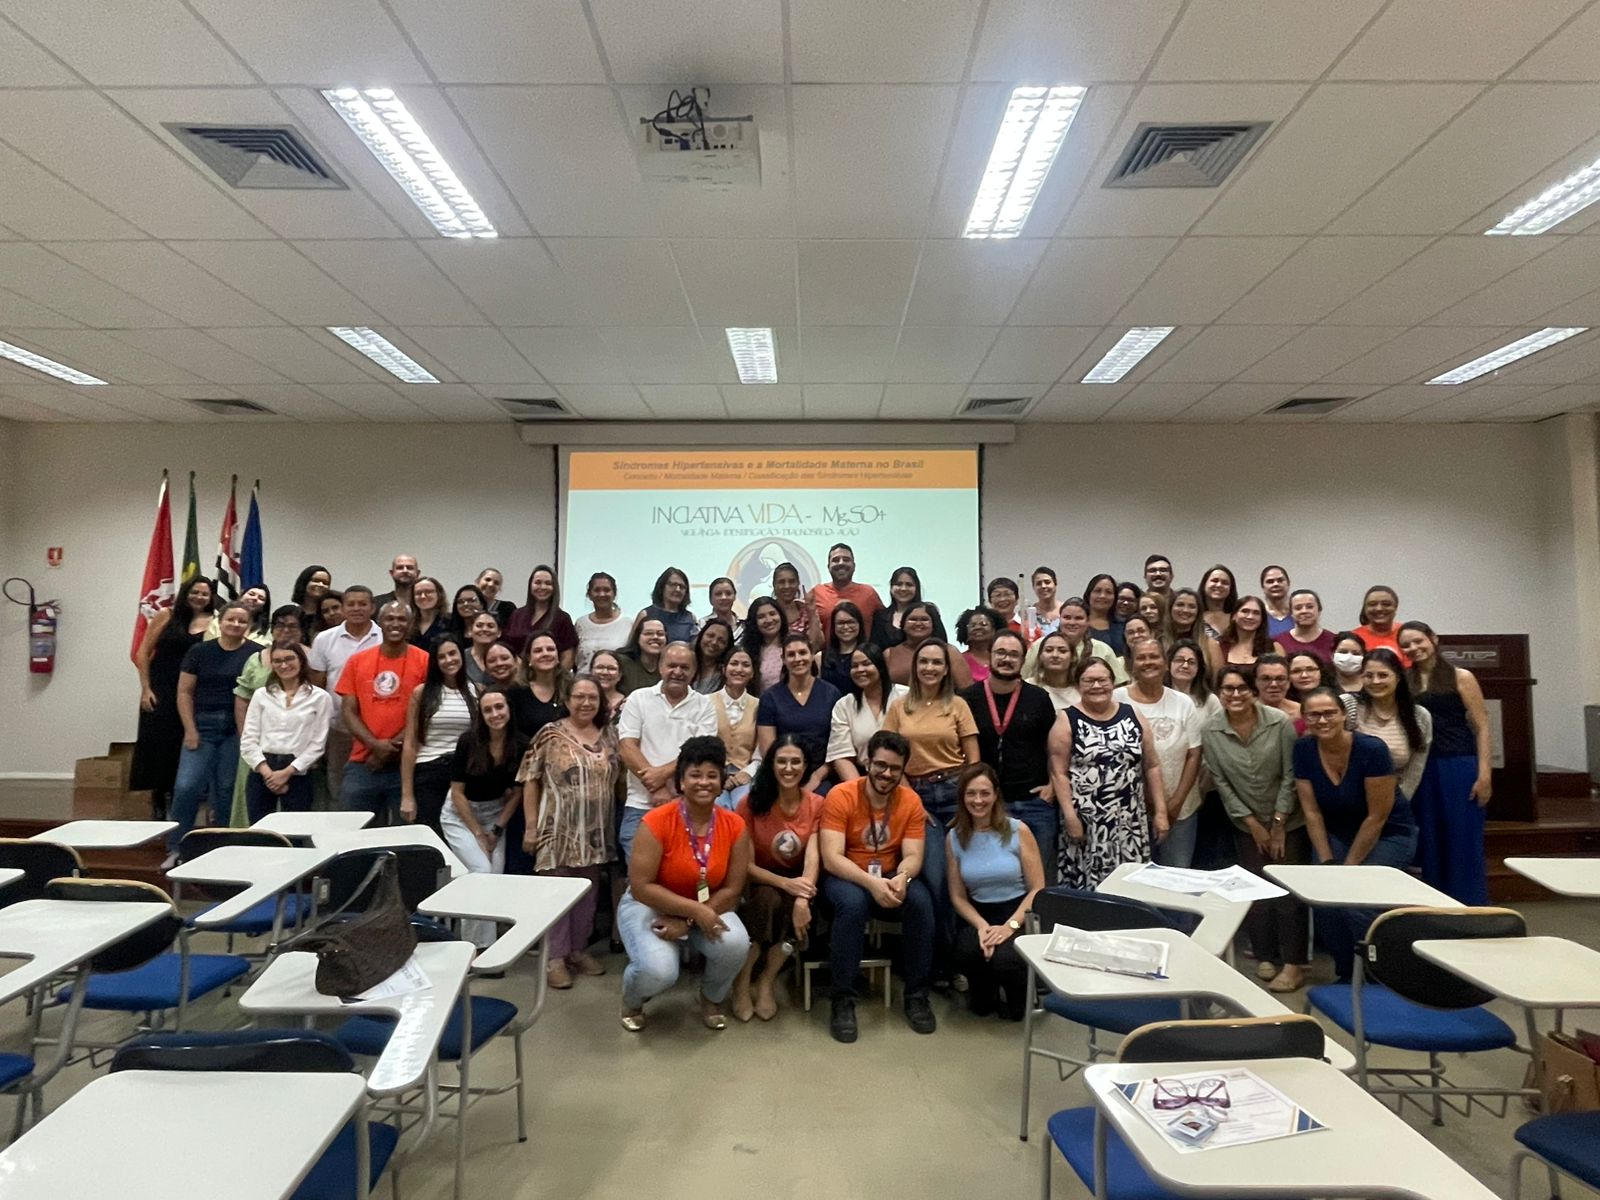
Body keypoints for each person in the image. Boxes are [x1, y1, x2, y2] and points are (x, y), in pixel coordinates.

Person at [619, 736, 752, 1032]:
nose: (703, 782)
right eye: (695, 774)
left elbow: (733, 889)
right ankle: (633, 999)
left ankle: (711, 997)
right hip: (650, 905)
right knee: (660, 970)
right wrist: (696, 912)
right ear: (681, 781)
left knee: (735, 944)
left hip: (707, 905)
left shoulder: (735, 825)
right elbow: (641, 886)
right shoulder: (656, 821)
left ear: (722, 781)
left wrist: (689, 919)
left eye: (712, 775)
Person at [820, 730, 936, 1041]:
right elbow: (831, 858)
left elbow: (913, 855)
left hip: (891, 874)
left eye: (895, 768)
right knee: (853, 904)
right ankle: (842, 999)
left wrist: (903, 877)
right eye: (881, 765)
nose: (886, 774)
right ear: (867, 762)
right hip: (847, 875)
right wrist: (872, 883)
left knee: (921, 903)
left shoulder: (910, 800)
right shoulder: (841, 795)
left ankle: (916, 995)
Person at [1294, 686, 1415, 980]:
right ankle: (1347, 974)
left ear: (1343, 716)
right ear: (1305, 719)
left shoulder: (1372, 749)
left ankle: (1381, 974)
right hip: (1336, 832)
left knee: (1356, 901)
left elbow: (1377, 816)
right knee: (1323, 900)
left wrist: (1347, 870)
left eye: (1329, 713)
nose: (1322, 720)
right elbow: (1312, 812)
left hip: (1388, 833)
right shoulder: (1303, 749)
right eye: (1314, 715)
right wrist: (1327, 863)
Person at [1201, 668, 1307, 992]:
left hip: (1288, 819)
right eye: (1227, 689)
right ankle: (1264, 954)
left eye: (1242, 688)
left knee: (1287, 893)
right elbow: (1221, 782)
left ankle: (1294, 963)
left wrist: (1278, 823)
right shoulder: (1211, 730)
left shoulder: (1278, 722)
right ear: (1219, 693)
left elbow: (1291, 773)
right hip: (1246, 822)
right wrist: (1252, 824)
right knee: (1256, 890)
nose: (1235, 695)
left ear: (1253, 691)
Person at [883, 638, 979, 977]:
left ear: (946, 668)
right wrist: (910, 797)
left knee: (964, 879)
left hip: (956, 793)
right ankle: (943, 963)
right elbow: (887, 758)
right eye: (924, 661)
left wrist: (966, 802)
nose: (930, 668)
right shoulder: (899, 707)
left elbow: (974, 760)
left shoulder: (958, 705)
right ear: (915, 666)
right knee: (937, 879)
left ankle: (961, 962)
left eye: (937, 662)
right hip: (915, 796)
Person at [519, 674, 618, 987]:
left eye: (593, 697)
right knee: (556, 896)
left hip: (596, 831)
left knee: (587, 897)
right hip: (556, 829)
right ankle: (555, 959)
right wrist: (531, 827)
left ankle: (577, 950)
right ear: (567, 700)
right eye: (579, 697)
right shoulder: (549, 733)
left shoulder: (611, 735)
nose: (586, 703)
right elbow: (530, 780)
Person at [1048, 657, 1168, 889]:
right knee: (1090, 889)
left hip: (1130, 821)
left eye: (1102, 680)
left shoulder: (1133, 714)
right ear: (1078, 684)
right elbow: (1058, 773)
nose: (1096, 686)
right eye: (1089, 681)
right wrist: (1070, 816)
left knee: (1132, 887)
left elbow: (1152, 766)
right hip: (1087, 823)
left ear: (1113, 683)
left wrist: (1161, 812)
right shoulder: (1066, 719)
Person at [1398, 621, 1493, 905]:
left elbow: (1482, 726)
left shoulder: (1461, 677)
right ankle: (1435, 904)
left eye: (1418, 641)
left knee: (1462, 835)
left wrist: (1485, 774)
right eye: (1406, 645)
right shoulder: (1404, 680)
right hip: (1421, 767)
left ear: (1433, 639)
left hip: (1458, 764)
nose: (1413, 648)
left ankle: (1470, 905)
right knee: (1429, 836)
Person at [732, 736, 825, 1022]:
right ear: (771, 765)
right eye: (781, 761)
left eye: (796, 762)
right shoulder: (751, 803)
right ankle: (742, 981)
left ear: (805, 766)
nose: (788, 768)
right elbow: (746, 866)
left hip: (799, 882)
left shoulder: (817, 804)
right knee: (769, 900)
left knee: (795, 906)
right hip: (760, 881)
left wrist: (802, 897)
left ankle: (766, 981)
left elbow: (813, 859)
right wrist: (787, 884)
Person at [947, 763, 1045, 1020]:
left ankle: (1022, 994)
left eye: (985, 793)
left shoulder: (1018, 830)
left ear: (995, 795)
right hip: (980, 914)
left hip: (1017, 912)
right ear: (962, 797)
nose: (978, 800)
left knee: (1006, 962)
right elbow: (957, 896)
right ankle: (985, 991)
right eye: (971, 793)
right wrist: (982, 927)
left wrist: (1009, 927)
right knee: (968, 953)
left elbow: (1037, 888)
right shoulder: (954, 837)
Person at [960, 631, 1059, 882]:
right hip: (989, 805)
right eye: (1001, 653)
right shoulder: (967, 699)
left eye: (1014, 654)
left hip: (1034, 803)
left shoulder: (1039, 698)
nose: (1006, 659)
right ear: (989, 657)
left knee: (1040, 881)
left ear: (1023, 660)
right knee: (994, 880)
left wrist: (1052, 785)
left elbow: (1055, 749)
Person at [165, 601, 258, 862]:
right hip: (202, 726)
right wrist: (190, 729)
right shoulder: (199, 651)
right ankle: (177, 847)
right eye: (231, 619)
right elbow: (184, 692)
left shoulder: (256, 654)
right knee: (187, 786)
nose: (236, 625)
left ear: (249, 625)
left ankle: (222, 847)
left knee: (227, 789)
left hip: (236, 729)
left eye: (242, 621)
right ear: (220, 621)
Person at [439, 688, 528, 945]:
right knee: (481, 870)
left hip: (496, 814)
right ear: (481, 715)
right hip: (460, 814)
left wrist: (496, 831)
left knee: (494, 877)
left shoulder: (521, 743)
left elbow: (518, 793)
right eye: (488, 710)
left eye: (499, 707)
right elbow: (457, 793)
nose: (495, 714)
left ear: (509, 709)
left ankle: (487, 945)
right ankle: (475, 946)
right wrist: (478, 833)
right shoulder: (468, 741)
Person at [616, 642, 717, 862]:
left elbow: (700, 754)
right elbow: (627, 747)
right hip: (640, 805)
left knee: (681, 874)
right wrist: (658, 787)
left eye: (685, 667)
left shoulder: (704, 705)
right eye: (672, 665)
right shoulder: (638, 698)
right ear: (661, 667)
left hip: (687, 806)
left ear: (694, 671)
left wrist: (660, 776)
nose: (677, 672)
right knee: (641, 877)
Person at [336, 601, 429, 825]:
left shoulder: (425, 660)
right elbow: (348, 711)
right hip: (363, 763)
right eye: (389, 618)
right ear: (379, 623)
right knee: (353, 831)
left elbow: (426, 713)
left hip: (407, 766)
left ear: (411, 624)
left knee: (405, 835)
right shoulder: (357, 661)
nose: (395, 624)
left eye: (402, 619)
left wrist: (388, 750)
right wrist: (375, 746)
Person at [132, 574, 216, 819]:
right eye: (195, 592)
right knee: (159, 743)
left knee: (185, 742)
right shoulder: (166, 615)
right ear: (185, 593)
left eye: (204, 593)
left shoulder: (214, 621)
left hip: (193, 691)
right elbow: (143, 653)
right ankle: (159, 797)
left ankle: (181, 797)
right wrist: (146, 689)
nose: (199, 597)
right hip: (161, 688)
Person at [1115, 639, 1202, 869]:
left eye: (1154, 656)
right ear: (1131, 664)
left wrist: (1174, 804)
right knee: (1134, 876)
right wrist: (1151, 804)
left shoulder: (1183, 702)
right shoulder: (1116, 699)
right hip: (1130, 809)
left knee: (1176, 876)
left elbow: (1194, 754)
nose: (1148, 662)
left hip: (1181, 808)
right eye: (1141, 657)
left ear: (1165, 663)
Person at [230, 605, 310, 824]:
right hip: (258, 747)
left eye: (292, 626)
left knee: (297, 815)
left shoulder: (312, 657)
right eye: (280, 625)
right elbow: (242, 698)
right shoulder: (256, 658)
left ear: (302, 630)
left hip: (299, 752)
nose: (286, 630)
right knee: (256, 808)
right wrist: (246, 737)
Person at [239, 640, 332, 824]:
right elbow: (248, 739)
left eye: (289, 659)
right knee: (259, 833)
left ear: (301, 661)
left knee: (296, 832)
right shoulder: (261, 695)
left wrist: (287, 773)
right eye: (277, 661)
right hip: (262, 769)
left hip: (298, 772)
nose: (284, 665)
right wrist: (269, 775)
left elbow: (318, 744)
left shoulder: (320, 698)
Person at [308, 585, 381, 804]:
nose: (356, 608)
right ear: (343, 608)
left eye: (362, 604)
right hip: (338, 726)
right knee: (339, 783)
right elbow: (317, 686)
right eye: (351, 604)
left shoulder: (384, 636)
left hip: (378, 729)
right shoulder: (324, 639)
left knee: (376, 784)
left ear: (372, 608)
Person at [400, 634, 476, 834]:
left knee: (463, 836)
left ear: (461, 654)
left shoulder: (476, 691)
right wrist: (407, 795)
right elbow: (410, 743)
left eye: (452, 653)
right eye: (441, 656)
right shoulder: (421, 693)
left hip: (464, 775)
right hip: (429, 772)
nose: (449, 660)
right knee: (432, 835)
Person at [756, 635, 840, 793]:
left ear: (812, 655)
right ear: (783, 660)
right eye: (791, 654)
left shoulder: (831, 694)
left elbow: (837, 746)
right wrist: (788, 778)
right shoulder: (770, 698)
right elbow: (768, 750)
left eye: (802, 652)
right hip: (782, 774)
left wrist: (817, 777)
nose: (797, 659)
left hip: (822, 775)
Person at [1354, 648, 1434, 814]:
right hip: (1348, 802)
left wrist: (1395, 804)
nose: (1375, 681)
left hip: (1394, 804)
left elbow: (1415, 771)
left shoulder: (1419, 716)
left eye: (1383, 675)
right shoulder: (1349, 706)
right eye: (1368, 675)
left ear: (1398, 677)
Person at [825, 642, 907, 783]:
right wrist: (861, 791)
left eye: (866, 664)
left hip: (909, 775)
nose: (860, 670)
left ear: (880, 666)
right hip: (864, 777)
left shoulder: (905, 696)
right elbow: (841, 756)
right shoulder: (845, 705)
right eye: (854, 666)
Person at [1021, 597, 1124, 685]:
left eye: (1078, 618)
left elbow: (1118, 686)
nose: (1072, 622)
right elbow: (1023, 678)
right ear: (1059, 619)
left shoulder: (1103, 650)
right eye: (1067, 617)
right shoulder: (1040, 646)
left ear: (1088, 621)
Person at [807, 543, 883, 647]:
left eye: (846, 559)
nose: (841, 563)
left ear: (854, 566)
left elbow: (885, 624)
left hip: (862, 655)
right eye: (836, 560)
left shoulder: (869, 593)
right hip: (827, 656)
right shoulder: (816, 593)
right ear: (828, 566)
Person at [712, 647, 761, 807]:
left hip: (745, 774)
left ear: (752, 673)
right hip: (713, 774)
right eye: (734, 663)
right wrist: (718, 774)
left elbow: (761, 749)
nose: (739, 669)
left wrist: (748, 773)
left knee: (744, 803)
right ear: (724, 669)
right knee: (718, 806)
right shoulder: (705, 702)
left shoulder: (760, 705)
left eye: (745, 665)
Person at [886, 602, 972, 688]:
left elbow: (966, 688)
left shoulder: (949, 651)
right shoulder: (889, 653)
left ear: (933, 625)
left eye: (924, 619)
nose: (918, 623)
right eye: (912, 619)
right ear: (903, 625)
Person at [505, 565, 577, 666]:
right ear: (530, 585)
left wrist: (557, 676)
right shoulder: (517, 615)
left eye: (548, 583)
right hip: (517, 673)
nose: (543, 587)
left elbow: (568, 656)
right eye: (538, 582)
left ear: (554, 588)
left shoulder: (562, 618)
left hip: (550, 674)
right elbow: (507, 648)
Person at [872, 566, 944, 647]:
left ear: (916, 588)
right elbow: (875, 647)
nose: (903, 589)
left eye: (909, 585)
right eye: (899, 584)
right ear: (891, 587)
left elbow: (942, 643)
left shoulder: (930, 613)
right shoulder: (880, 617)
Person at [1217, 595, 1285, 680]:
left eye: (1256, 613)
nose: (1250, 617)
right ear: (1234, 616)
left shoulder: (1275, 648)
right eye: (1245, 611)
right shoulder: (1219, 647)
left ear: (1262, 619)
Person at [574, 571, 630, 672]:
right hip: (583, 680)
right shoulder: (581, 623)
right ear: (589, 595)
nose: (602, 594)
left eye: (607, 590)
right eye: (597, 590)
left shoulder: (628, 624)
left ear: (614, 594)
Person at [636, 566, 698, 645]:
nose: (677, 589)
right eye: (673, 585)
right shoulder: (646, 614)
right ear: (662, 587)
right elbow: (633, 645)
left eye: (682, 587)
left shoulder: (690, 618)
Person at [817, 601, 866, 694]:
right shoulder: (820, 658)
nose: (846, 627)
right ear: (834, 627)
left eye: (851, 622)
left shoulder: (870, 655)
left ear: (859, 624)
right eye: (840, 623)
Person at [741, 596, 788, 692]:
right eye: (761, 617)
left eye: (772, 614)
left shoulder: (793, 645)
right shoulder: (747, 652)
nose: (769, 620)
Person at [1280, 588, 1336, 664]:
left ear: (1319, 610)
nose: (1304, 611)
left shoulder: (1334, 641)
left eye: (1310, 607)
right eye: (1298, 608)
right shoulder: (1279, 642)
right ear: (1291, 613)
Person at [1355, 585, 1408, 663]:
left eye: (1386, 604)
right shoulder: (1354, 638)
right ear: (1365, 609)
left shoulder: (1407, 634)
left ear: (1395, 607)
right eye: (1372, 604)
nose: (1379, 609)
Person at [617, 616, 667, 695]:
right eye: (648, 633)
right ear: (637, 637)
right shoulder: (621, 662)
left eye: (660, 634)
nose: (655, 637)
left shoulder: (670, 666)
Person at [1255, 654, 1303, 732]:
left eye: (1280, 679)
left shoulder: (1301, 712)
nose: (1273, 684)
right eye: (1266, 679)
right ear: (1256, 681)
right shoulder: (1246, 712)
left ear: (1289, 682)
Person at [955, 605, 1003, 684]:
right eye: (972, 625)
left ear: (994, 629)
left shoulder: (1003, 658)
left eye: (983, 624)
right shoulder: (960, 660)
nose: (977, 627)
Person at [1083, 573, 1123, 655]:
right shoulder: (1076, 623)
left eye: (1108, 592)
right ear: (1089, 594)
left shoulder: (1122, 627)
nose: (1102, 596)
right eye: (1097, 591)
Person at [290, 565, 332, 642]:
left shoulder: (330, 615)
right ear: (304, 582)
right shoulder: (291, 613)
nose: (321, 585)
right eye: (316, 580)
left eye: (325, 583)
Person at [771, 562, 811, 645]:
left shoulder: (806, 610)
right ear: (774, 584)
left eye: (792, 581)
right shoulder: (767, 611)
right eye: (782, 582)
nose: (787, 586)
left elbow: (816, 644)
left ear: (798, 583)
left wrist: (813, 613)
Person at [1197, 564, 1239, 643]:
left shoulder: (1237, 619)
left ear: (1231, 589)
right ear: (1204, 584)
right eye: (1215, 580)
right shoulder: (1194, 617)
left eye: (1225, 583)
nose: (1219, 585)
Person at [691, 618, 733, 695]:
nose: (714, 642)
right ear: (701, 636)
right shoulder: (685, 664)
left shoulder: (727, 674)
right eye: (710, 636)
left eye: (721, 640)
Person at [463, 611, 503, 686]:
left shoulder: (507, 658)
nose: (484, 629)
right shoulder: (461, 658)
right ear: (470, 631)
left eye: (490, 626)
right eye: (479, 625)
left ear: (499, 632)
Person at [407, 576, 449, 650]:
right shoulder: (408, 624)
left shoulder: (451, 622)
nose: (423, 596)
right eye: (418, 593)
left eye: (428, 592)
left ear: (439, 595)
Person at [589, 649, 626, 724]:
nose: (605, 672)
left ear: (620, 675)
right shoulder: (583, 702)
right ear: (591, 671)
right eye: (600, 667)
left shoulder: (629, 704)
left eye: (611, 668)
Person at [1260, 565, 1294, 640]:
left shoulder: (1299, 613)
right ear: (1263, 587)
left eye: (1280, 580)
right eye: (1270, 581)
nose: (1276, 584)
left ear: (1288, 584)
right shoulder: (1258, 616)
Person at [1028, 567, 1061, 639]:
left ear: (1055, 584)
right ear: (1033, 587)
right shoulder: (1029, 614)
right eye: (1038, 583)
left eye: (1047, 582)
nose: (1043, 586)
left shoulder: (1066, 611)